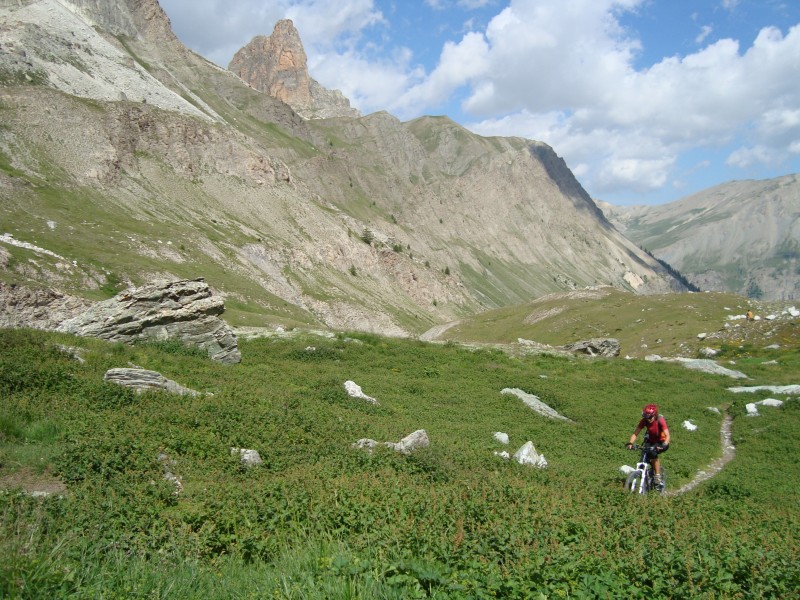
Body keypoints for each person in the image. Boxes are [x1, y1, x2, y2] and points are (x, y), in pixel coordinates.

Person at [626, 403, 670, 491]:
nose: (647, 419)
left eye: (649, 417)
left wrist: (664, 444)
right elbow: (636, 433)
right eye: (646, 416)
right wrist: (630, 443)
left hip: (661, 442)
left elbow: (667, 435)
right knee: (644, 455)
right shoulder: (644, 421)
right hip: (651, 441)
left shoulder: (660, 420)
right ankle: (645, 475)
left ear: (654, 415)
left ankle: (657, 476)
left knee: (653, 454)